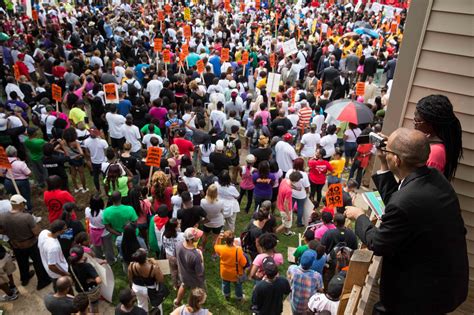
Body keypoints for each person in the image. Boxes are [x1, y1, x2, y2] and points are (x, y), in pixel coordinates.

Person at [344, 128, 468, 314]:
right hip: (449, 283)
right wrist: (385, 163)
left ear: (398, 160)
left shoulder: (405, 202)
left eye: (389, 151)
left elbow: (378, 243)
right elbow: (399, 199)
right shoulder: (436, 179)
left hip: (420, 296)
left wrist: (359, 216)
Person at [0, 194, 51, 289]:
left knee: (22, 262)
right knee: (38, 262)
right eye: (23, 203)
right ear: (20, 204)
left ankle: (25, 278)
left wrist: (9, 233)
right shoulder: (27, 217)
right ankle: (43, 281)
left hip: (15, 244)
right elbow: (36, 232)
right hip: (30, 243)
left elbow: (1, 230)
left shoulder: (3, 216)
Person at [413, 94, 463, 181]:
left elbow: (422, 186)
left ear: (431, 124)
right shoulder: (429, 137)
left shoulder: (435, 153)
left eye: (417, 121)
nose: (414, 123)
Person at [128, 248, 165, 314]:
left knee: (141, 305)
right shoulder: (153, 268)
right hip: (150, 290)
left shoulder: (131, 265)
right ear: (145, 257)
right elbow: (161, 279)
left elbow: (130, 278)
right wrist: (156, 264)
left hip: (136, 288)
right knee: (157, 306)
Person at [175, 227, 205, 307]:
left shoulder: (178, 244)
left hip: (183, 274)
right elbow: (199, 273)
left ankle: (177, 302)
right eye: (197, 237)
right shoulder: (196, 256)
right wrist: (201, 258)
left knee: (184, 285)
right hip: (193, 279)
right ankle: (193, 307)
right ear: (191, 240)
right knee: (195, 293)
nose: (199, 237)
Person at [287, 250, 324, 315]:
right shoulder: (317, 276)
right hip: (307, 308)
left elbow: (288, 277)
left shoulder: (292, 269)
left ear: (300, 259)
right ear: (312, 263)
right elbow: (320, 290)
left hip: (294, 304)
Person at [214, 230, 247, 301]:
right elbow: (244, 263)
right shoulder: (238, 250)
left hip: (225, 272)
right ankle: (239, 297)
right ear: (233, 239)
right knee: (238, 285)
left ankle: (226, 295)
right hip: (236, 273)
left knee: (225, 284)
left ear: (225, 240)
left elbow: (216, 246)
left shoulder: (221, 248)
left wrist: (218, 238)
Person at [68, 246, 102, 314]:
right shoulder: (87, 266)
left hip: (80, 289)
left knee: (85, 304)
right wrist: (92, 279)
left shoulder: (71, 265)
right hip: (90, 291)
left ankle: (86, 310)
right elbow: (99, 280)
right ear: (82, 255)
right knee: (94, 306)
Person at [38, 220, 70, 291]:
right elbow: (51, 266)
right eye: (64, 229)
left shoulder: (44, 232)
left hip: (52, 271)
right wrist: (64, 273)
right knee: (63, 290)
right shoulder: (53, 247)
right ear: (58, 231)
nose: (66, 230)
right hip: (57, 274)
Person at [85, 194, 115, 264]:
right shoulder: (104, 213)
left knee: (96, 247)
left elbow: (87, 219)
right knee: (108, 248)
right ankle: (110, 261)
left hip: (93, 231)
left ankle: (99, 259)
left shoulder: (87, 210)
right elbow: (108, 223)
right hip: (104, 232)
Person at [2, 145, 32, 211]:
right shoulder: (20, 163)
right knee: (25, 197)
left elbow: (2, 173)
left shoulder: (4, 163)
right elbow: (29, 173)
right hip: (22, 183)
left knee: (14, 197)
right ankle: (28, 211)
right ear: (15, 153)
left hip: (8, 182)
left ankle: (16, 210)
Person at [200, 184, 224, 252]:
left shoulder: (203, 201)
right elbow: (222, 211)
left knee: (205, 235)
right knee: (216, 238)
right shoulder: (221, 202)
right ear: (216, 193)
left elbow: (202, 211)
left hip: (207, 221)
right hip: (217, 222)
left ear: (208, 191)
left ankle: (203, 248)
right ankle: (214, 253)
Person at [162, 218, 184, 289]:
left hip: (169, 255)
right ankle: (181, 284)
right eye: (178, 224)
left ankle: (175, 285)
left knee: (173, 271)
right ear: (175, 227)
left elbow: (163, 245)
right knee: (181, 271)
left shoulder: (164, 234)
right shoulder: (181, 236)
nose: (179, 224)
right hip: (179, 256)